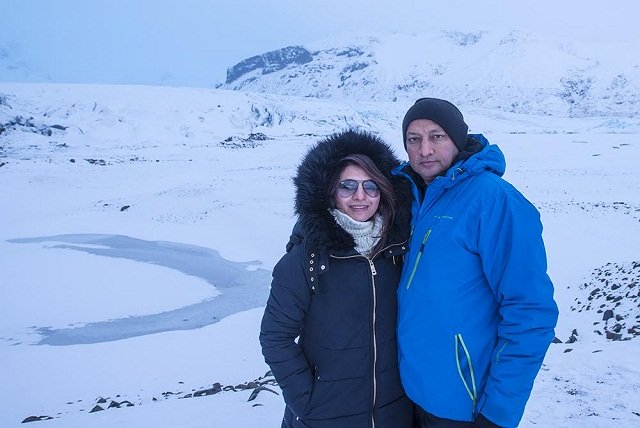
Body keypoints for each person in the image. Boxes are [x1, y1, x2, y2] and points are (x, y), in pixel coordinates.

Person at [392, 98, 559, 428]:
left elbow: (529, 310)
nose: (425, 149)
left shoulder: (494, 200)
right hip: (410, 392)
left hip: (464, 404)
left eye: (436, 136)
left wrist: (498, 412)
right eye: (414, 138)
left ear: (456, 138)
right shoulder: (410, 195)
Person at [260, 129, 414, 428]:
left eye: (371, 186)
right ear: (330, 190)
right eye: (347, 186)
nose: (360, 196)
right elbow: (275, 336)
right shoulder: (307, 258)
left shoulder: (398, 250)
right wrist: (307, 401)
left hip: (394, 413)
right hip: (325, 417)